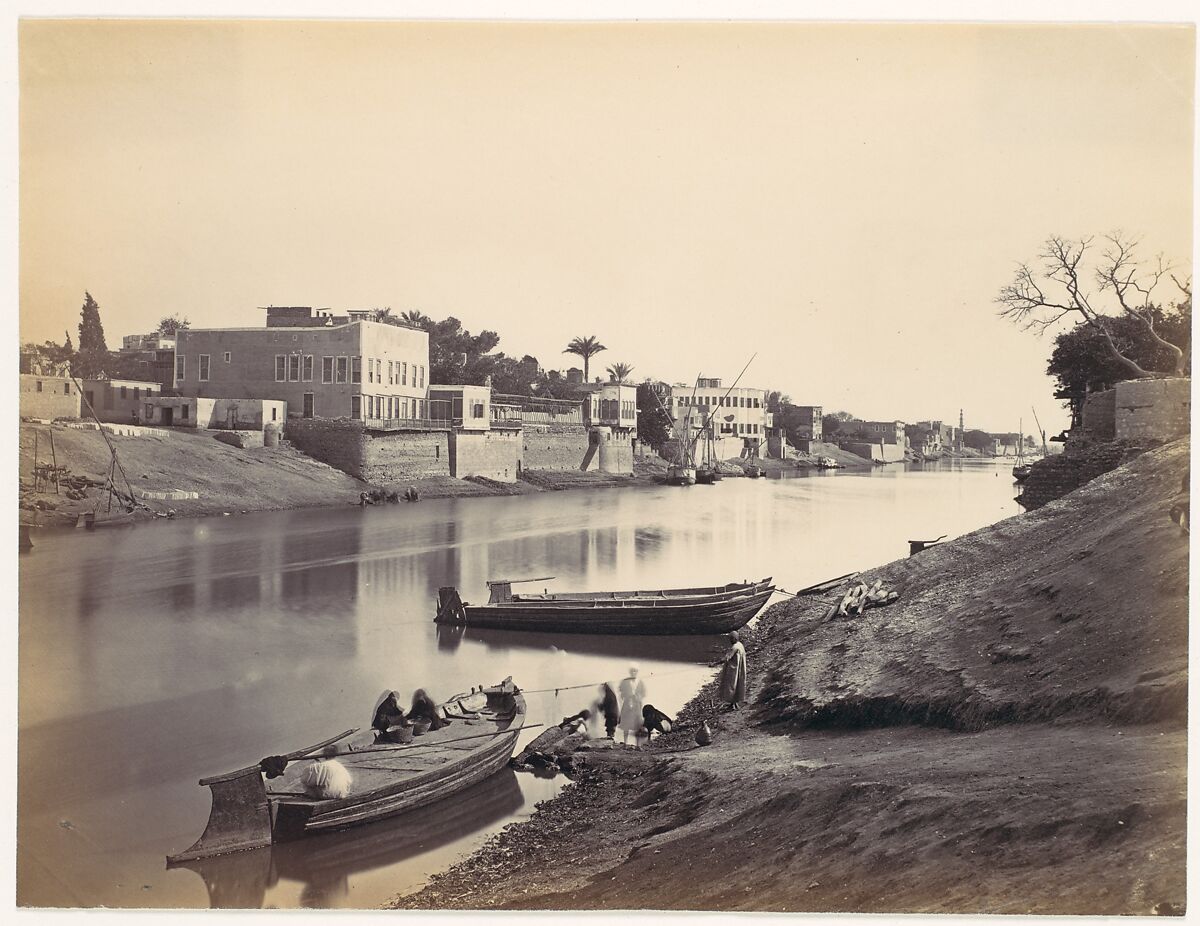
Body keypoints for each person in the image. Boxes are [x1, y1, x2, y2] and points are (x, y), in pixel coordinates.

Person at [719, 631, 747, 710]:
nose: (730, 641)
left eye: (731, 639)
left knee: (731, 685)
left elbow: (727, 658)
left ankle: (732, 704)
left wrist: (715, 663)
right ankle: (735, 703)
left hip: (733, 670)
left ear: (734, 638)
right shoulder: (740, 645)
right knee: (738, 684)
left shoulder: (734, 647)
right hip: (741, 668)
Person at [619, 665, 647, 745]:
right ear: (630, 672)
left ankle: (638, 745)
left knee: (638, 724)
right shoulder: (625, 681)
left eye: (635, 671)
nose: (633, 672)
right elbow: (621, 692)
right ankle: (625, 743)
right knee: (626, 724)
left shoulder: (640, 681)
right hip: (627, 704)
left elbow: (643, 693)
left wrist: (638, 697)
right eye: (632, 671)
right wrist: (628, 696)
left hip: (637, 705)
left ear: (637, 672)